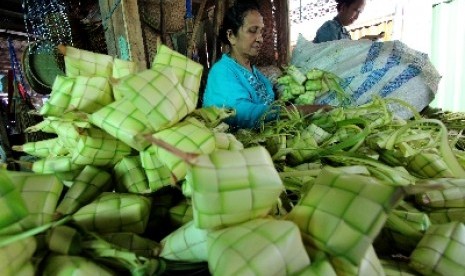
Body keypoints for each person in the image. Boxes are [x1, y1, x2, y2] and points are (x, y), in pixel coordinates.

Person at [202, 1, 327, 130]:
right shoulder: (222, 72)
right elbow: (240, 113)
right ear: (231, 36)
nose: (260, 38)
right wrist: (302, 110)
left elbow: (271, 103)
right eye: (252, 31)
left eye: (261, 32)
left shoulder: (256, 73)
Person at [313, 0, 384, 43]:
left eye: (360, 12)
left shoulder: (344, 32)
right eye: (356, 11)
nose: (357, 17)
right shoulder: (330, 28)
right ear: (343, 8)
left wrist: (362, 41)